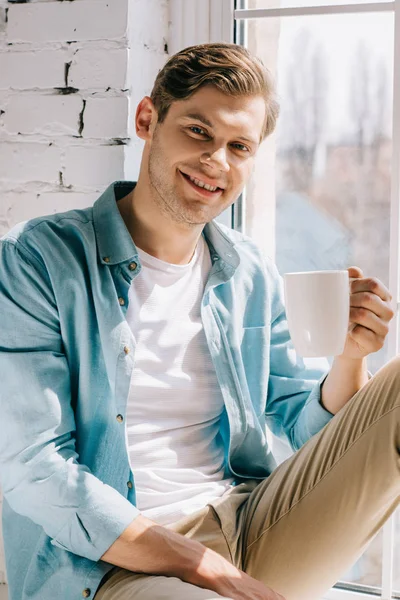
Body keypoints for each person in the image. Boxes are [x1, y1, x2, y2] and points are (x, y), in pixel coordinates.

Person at [0, 42, 397, 600]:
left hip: (251, 525)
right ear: (147, 119)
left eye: (240, 146)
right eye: (197, 131)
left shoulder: (248, 269)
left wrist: (351, 357)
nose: (218, 161)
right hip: (113, 566)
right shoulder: (38, 259)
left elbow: (304, 430)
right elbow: (35, 469)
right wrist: (204, 567)